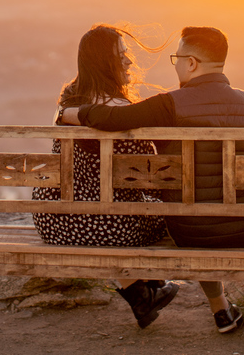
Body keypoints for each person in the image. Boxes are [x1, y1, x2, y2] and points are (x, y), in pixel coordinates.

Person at [59, 26, 244, 341]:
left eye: (177, 58)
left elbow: (112, 119)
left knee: (196, 211)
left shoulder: (168, 105)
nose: (175, 65)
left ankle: (221, 310)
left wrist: (70, 113)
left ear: (191, 63)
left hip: (190, 231)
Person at [33, 24, 179, 328]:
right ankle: (151, 287)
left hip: (54, 221)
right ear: (104, 64)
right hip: (111, 228)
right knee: (139, 211)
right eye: (121, 56)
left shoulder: (68, 102)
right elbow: (145, 175)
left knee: (105, 208)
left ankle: (144, 295)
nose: (129, 62)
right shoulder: (122, 110)